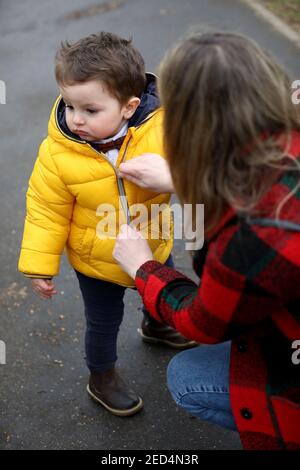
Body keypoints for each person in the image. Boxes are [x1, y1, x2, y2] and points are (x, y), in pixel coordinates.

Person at [113, 32, 300, 449]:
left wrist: (144, 266)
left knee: (186, 377)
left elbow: (204, 322)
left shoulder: (256, 235)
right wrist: (186, 181)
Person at [18, 32, 196, 418]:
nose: (75, 119)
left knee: (157, 285)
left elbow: (198, 160)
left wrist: (176, 173)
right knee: (103, 323)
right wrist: (39, 265)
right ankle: (102, 376)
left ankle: (156, 324)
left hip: (152, 242)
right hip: (96, 261)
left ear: (130, 106)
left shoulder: (161, 130)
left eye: (90, 110)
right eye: (68, 105)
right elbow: (45, 208)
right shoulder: (58, 154)